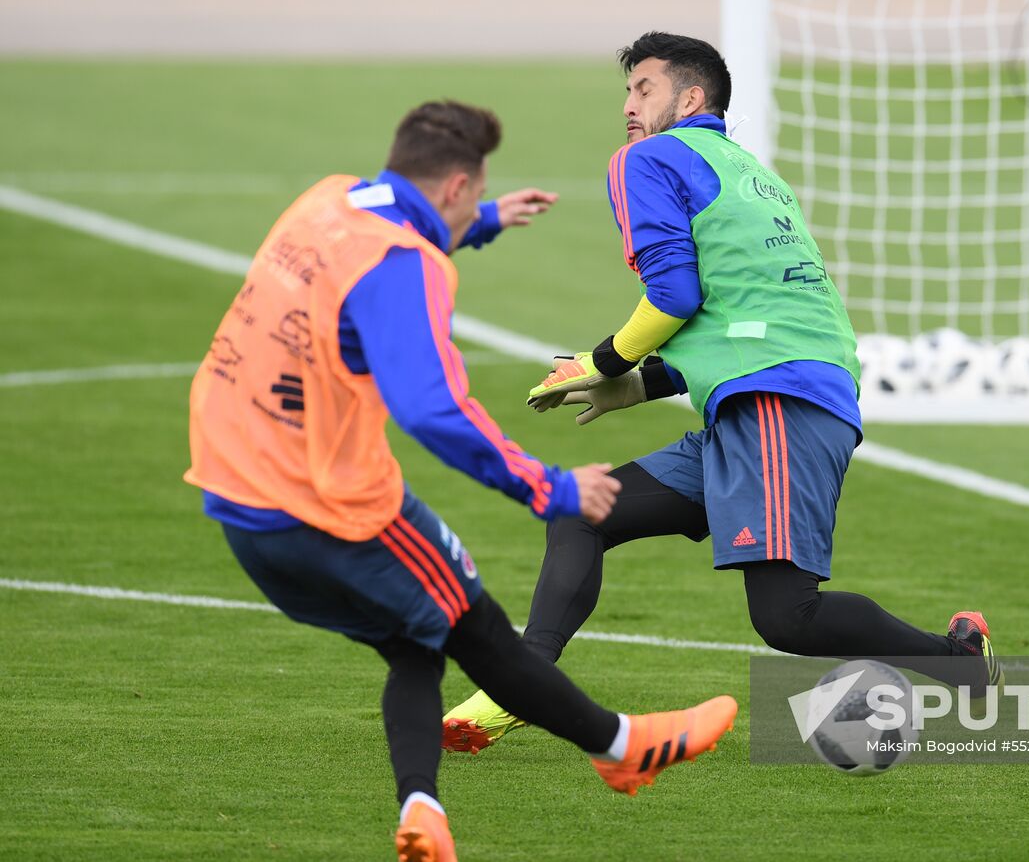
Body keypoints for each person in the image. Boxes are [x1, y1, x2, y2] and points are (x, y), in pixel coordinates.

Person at [184, 99, 736, 862]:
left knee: (415, 640)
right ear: (453, 184)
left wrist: (481, 224)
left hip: (233, 493)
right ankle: (621, 745)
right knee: (478, 626)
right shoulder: (407, 266)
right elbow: (433, 411)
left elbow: (379, 241)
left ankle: (422, 809)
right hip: (325, 503)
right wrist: (551, 488)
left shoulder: (327, 199)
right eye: (474, 196)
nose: (475, 204)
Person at [442, 34, 1002, 754]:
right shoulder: (752, 174)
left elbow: (676, 293)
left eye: (643, 89)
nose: (628, 106)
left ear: (692, 98)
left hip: (775, 402)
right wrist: (637, 384)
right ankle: (522, 685)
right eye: (627, 92)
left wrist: (602, 358)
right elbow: (739, 317)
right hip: (776, 393)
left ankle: (959, 662)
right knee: (583, 513)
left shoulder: (647, 159)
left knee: (786, 618)